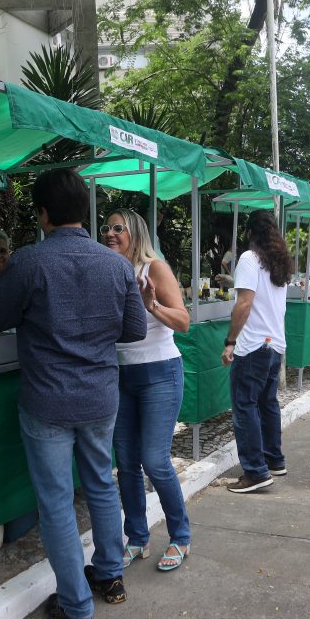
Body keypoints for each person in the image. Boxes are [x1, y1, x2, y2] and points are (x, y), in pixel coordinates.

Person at [0, 169, 148, 619]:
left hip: (47, 400)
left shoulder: (29, 262)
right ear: (85, 212)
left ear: (43, 213)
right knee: (101, 487)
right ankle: (110, 576)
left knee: (54, 504)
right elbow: (133, 330)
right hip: (99, 397)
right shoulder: (115, 264)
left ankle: (76, 607)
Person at [102, 209, 193, 573]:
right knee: (124, 464)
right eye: (106, 228)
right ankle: (137, 538)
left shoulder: (153, 268)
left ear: (135, 232)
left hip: (159, 372)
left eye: (117, 228)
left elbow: (183, 321)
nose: (109, 233)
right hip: (120, 376)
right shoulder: (107, 271)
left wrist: (152, 305)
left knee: (154, 460)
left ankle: (181, 536)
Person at [221, 210, 292, 494]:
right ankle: (274, 460)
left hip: (253, 345)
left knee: (244, 406)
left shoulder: (249, 258)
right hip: (274, 343)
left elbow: (245, 304)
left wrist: (230, 340)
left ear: (249, 232)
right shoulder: (279, 262)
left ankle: (255, 471)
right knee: (267, 403)